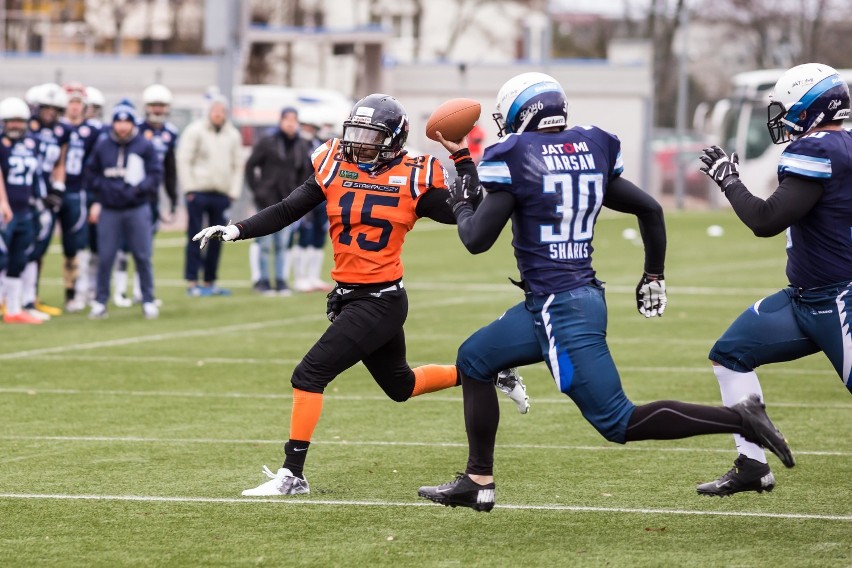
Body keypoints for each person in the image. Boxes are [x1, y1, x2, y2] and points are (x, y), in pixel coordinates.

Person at [416, 72, 795, 513]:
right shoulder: (591, 145)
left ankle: (740, 418)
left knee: (618, 421)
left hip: (562, 308)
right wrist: (653, 274)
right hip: (565, 298)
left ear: (522, 113)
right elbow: (650, 208)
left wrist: (461, 201)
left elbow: (476, 239)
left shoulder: (513, 153)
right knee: (475, 358)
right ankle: (477, 481)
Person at [192, 93, 529, 497]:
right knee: (401, 386)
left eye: (370, 135)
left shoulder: (415, 175)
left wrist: (461, 159)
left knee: (309, 374)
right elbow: (286, 209)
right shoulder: (334, 163)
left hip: (380, 301)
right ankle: (487, 373)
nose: (359, 142)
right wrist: (237, 229)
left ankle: (292, 474)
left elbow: (467, 204)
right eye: (356, 132)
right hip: (353, 297)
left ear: (393, 139)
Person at [696, 63, 852, 497]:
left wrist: (729, 181)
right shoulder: (840, 146)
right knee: (729, 355)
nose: (781, 118)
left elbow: (766, 220)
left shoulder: (818, 149)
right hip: (805, 299)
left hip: (840, 300)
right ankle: (752, 464)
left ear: (808, 106)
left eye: (786, 108)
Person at [85, 99, 162, 320]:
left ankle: (148, 299)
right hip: (110, 209)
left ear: (132, 123)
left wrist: (137, 190)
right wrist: (107, 190)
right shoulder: (102, 144)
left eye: (126, 122)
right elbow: (91, 175)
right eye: (118, 122)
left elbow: (155, 175)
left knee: (142, 255)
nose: (122, 127)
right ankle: (100, 301)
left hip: (136, 207)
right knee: (106, 256)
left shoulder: (144, 145)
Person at [112, 83, 180, 307]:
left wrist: (172, 197)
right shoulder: (135, 128)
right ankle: (120, 291)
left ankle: (141, 290)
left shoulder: (170, 132)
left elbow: (170, 168)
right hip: (130, 193)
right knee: (123, 243)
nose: (158, 110)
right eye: (155, 105)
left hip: (152, 194)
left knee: (144, 246)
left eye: (162, 106)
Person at [177, 94, 243, 297]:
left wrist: (233, 192)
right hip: (198, 192)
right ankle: (192, 281)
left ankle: (209, 281)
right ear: (209, 112)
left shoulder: (232, 135)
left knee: (218, 238)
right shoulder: (195, 131)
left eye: (221, 111)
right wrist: (189, 188)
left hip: (221, 194)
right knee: (196, 236)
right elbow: (184, 159)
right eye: (215, 111)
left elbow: (237, 164)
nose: (218, 115)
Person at [244, 106, 314, 295]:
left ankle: (281, 281)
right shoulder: (268, 142)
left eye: (294, 120)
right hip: (267, 200)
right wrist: (258, 190)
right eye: (287, 119)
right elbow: (250, 165)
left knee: (283, 244)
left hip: (288, 202)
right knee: (265, 244)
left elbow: (305, 173)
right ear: (281, 121)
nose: (291, 124)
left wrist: (300, 195)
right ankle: (264, 281)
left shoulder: (301, 145)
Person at [23, 82, 70, 320]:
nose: (50, 112)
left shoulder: (62, 131)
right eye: (46, 107)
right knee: (14, 249)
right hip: (22, 195)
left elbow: (60, 162)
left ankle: (30, 298)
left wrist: (58, 188)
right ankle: (10, 299)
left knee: (38, 249)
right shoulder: (24, 128)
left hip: (46, 196)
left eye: (55, 108)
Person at [59, 82, 102, 313]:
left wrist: (96, 198)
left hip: (79, 192)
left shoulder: (93, 131)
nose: (74, 107)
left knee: (76, 244)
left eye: (78, 102)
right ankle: (28, 297)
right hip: (53, 192)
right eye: (71, 102)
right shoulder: (54, 129)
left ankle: (76, 292)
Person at [0, 97, 39, 323]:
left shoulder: (31, 144)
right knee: (1, 258)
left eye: (19, 121)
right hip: (6, 210)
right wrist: (3, 202)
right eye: (11, 121)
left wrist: (41, 200)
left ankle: (13, 309)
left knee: (18, 259)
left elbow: (37, 176)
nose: (16, 125)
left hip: (25, 208)